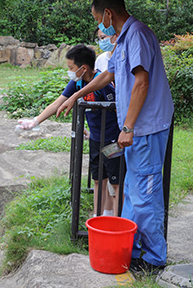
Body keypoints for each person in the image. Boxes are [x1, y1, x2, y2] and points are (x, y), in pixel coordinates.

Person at [57, 0, 174, 275]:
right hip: (137, 129)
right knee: (133, 194)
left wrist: (128, 127)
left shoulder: (137, 35)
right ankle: (131, 250)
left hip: (145, 128)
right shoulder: (122, 40)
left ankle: (155, 259)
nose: (100, 26)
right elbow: (108, 75)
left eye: (99, 19)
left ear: (108, 14)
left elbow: (142, 83)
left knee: (145, 193)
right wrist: (76, 96)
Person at [17, 44, 121, 217]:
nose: (69, 72)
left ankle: (115, 221)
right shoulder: (77, 83)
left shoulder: (102, 83)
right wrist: (34, 121)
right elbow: (58, 102)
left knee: (116, 183)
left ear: (83, 68)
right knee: (98, 180)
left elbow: (118, 108)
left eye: (71, 68)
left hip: (112, 140)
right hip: (96, 139)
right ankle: (97, 219)